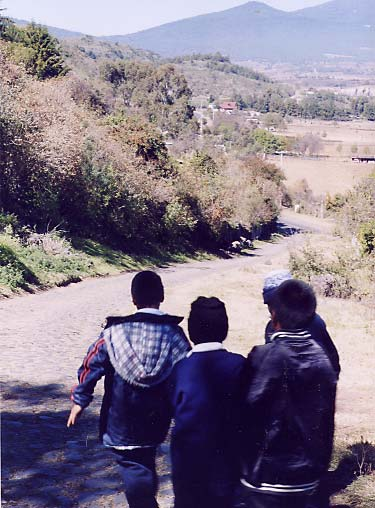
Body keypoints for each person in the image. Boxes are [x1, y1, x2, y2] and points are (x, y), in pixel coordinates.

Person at [67, 270, 190, 508]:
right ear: (162, 296)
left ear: (133, 298)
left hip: (120, 417)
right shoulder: (175, 334)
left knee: (133, 466)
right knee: (145, 459)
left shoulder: (113, 333)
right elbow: (186, 371)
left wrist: (80, 400)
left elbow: (91, 364)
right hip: (157, 417)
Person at [238, 279, 337, 508]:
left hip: (266, 477)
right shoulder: (323, 361)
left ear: (273, 316)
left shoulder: (263, 356)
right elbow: (326, 421)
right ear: (313, 316)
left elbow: (244, 412)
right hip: (308, 478)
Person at [168, 297, 246, 508]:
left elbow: (171, 409)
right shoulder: (239, 365)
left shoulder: (180, 369)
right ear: (225, 328)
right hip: (227, 461)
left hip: (188, 463)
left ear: (191, 332)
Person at [263, 270, 340, 377]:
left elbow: (331, 362)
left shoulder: (314, 323)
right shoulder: (270, 328)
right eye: (270, 304)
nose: (273, 309)